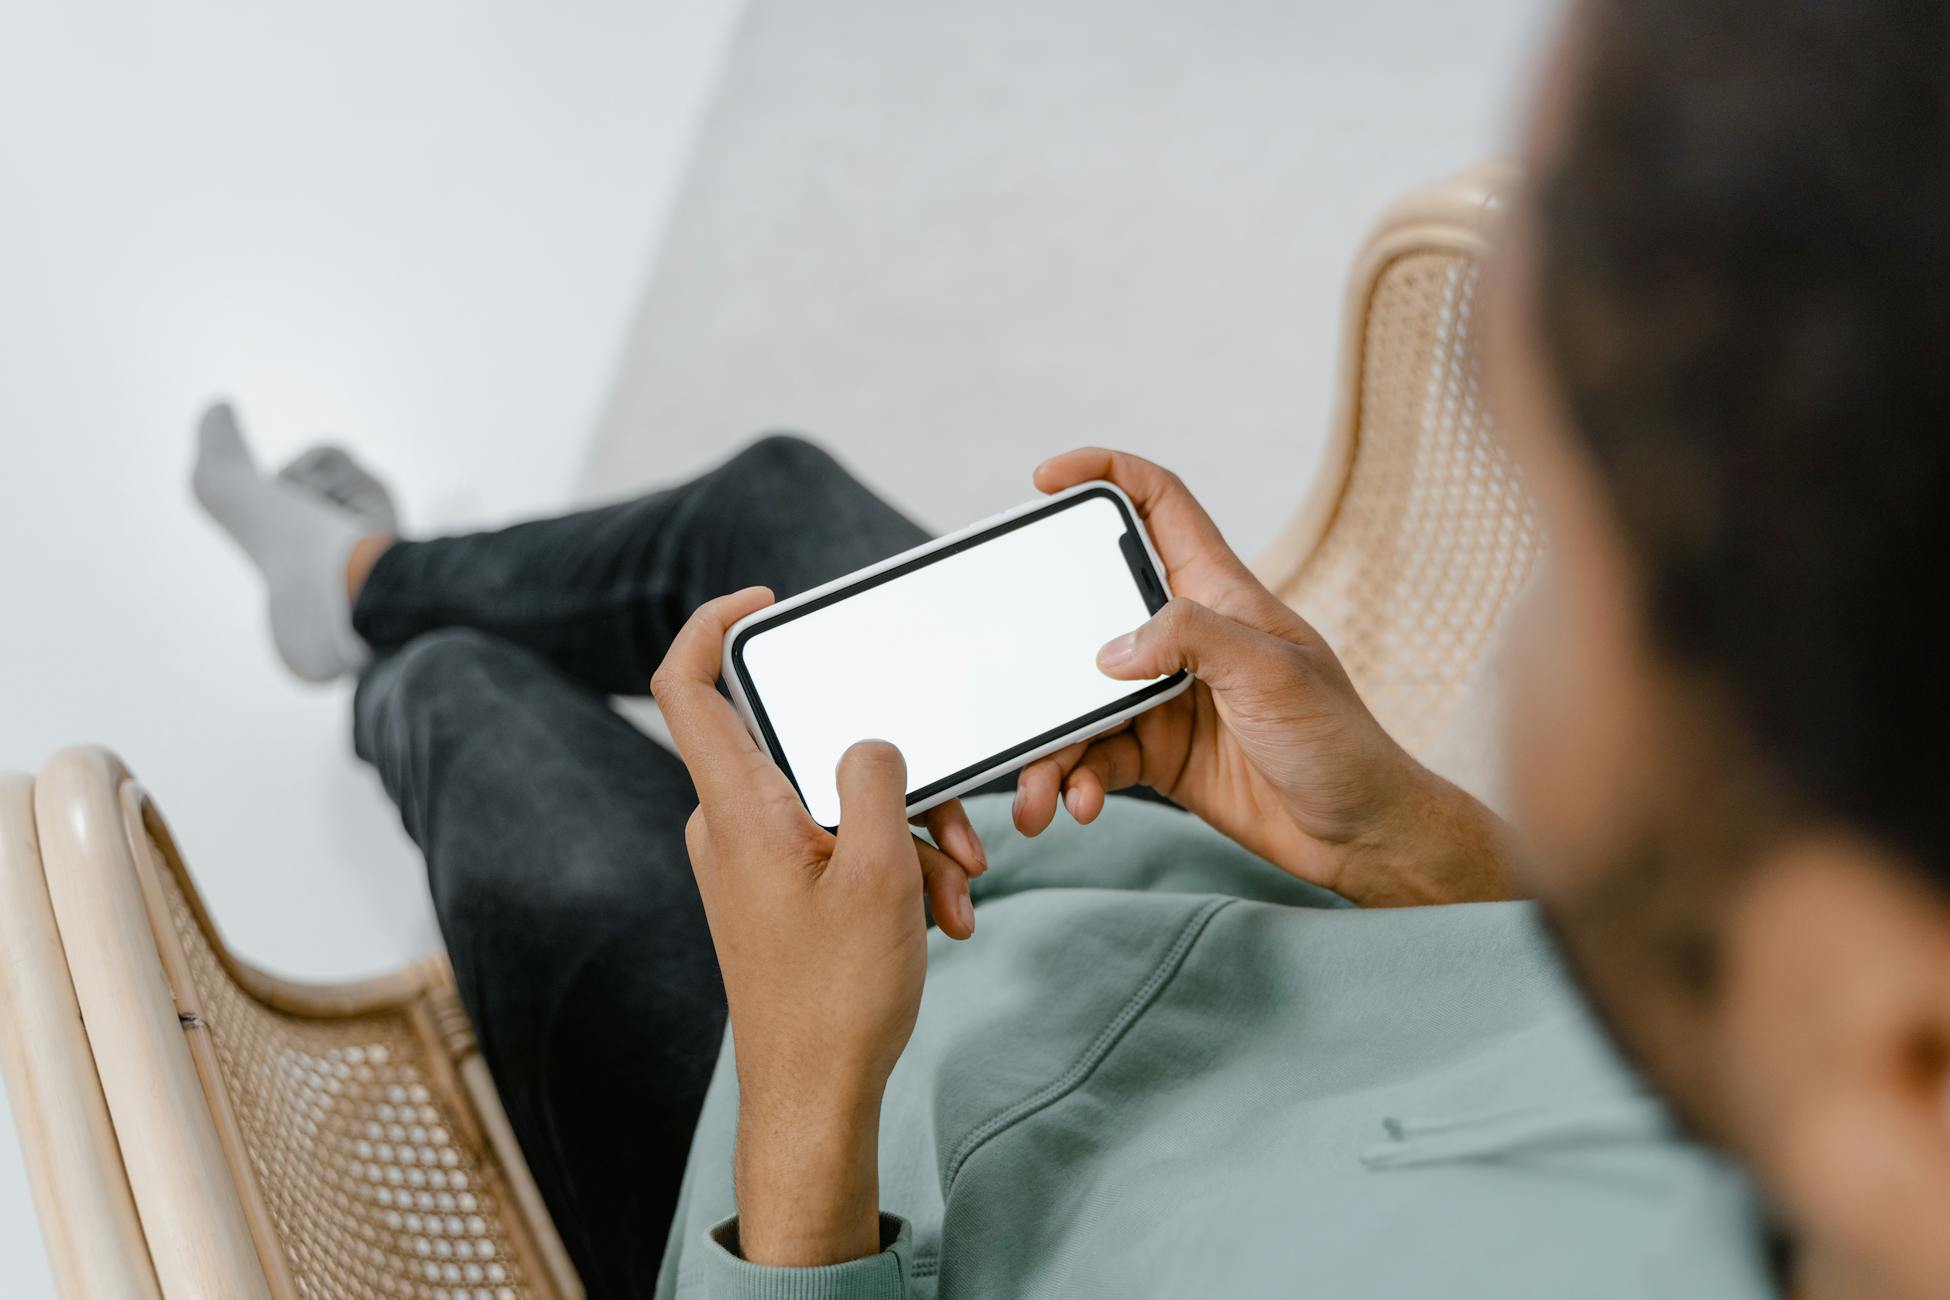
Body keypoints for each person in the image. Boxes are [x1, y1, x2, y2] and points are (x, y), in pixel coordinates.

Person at [188, 1, 1950, 1296]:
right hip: (1174, 919)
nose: (1530, 641)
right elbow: (1564, 1017)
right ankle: (360, 572)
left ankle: (375, 615)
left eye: (1578, 572)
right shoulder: (1830, 1038)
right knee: (762, 514)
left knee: (469, 714)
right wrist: (1397, 844)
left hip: (845, 1175)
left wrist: (803, 1108)